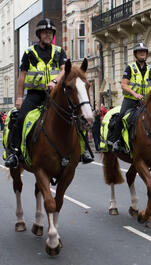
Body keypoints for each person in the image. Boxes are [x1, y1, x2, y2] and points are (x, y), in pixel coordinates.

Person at [4, 19, 94, 167]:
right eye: (45, 32)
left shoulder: (58, 51)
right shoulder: (29, 53)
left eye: (50, 33)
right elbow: (22, 77)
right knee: (20, 118)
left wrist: (54, 82)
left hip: (53, 94)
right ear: (39, 34)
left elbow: (64, 69)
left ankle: (82, 151)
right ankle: (14, 152)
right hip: (34, 94)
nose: (48, 35)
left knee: (75, 116)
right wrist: (20, 98)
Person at [111, 42, 151, 152]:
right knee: (121, 116)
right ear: (135, 54)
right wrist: (135, 94)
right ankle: (117, 141)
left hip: (146, 101)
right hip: (131, 100)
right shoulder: (130, 68)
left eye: (144, 51)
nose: (142, 53)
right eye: (140, 51)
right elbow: (124, 84)